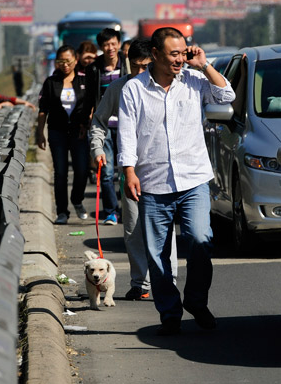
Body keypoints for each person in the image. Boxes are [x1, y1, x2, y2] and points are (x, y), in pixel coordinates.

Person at [118, 27, 235, 335]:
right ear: (155, 54)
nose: (180, 59)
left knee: (200, 239)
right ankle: (169, 313)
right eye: (174, 54)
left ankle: (196, 301)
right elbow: (127, 133)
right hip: (153, 183)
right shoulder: (134, 89)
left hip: (193, 179)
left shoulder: (195, 82)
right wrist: (129, 171)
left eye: (183, 52)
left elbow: (227, 94)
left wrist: (205, 65)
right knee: (157, 256)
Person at [91, 39, 177, 301]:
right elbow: (98, 121)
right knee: (133, 228)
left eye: (145, 66)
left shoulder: (167, 86)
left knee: (164, 228)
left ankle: (168, 280)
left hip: (163, 170)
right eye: (135, 67)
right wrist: (98, 150)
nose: (141, 72)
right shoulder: (118, 88)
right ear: (127, 64)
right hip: (130, 170)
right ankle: (140, 282)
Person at [36, 46, 96, 225]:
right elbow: (43, 110)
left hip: (79, 131)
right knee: (60, 173)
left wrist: (87, 123)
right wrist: (40, 133)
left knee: (82, 170)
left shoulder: (84, 80)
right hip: (57, 131)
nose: (65, 65)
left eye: (68, 61)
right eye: (61, 61)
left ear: (75, 60)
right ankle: (62, 211)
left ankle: (77, 200)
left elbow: (91, 105)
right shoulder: (50, 82)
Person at [84, 28, 124, 225]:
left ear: (118, 43)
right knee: (106, 171)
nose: (110, 48)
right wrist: (87, 122)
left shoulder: (128, 64)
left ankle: (129, 208)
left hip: (126, 124)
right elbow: (89, 99)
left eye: (113, 43)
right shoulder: (94, 69)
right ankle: (111, 211)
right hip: (104, 125)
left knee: (126, 169)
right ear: (101, 47)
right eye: (106, 44)